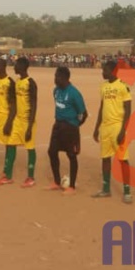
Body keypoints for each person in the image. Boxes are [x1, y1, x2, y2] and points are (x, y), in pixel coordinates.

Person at [92, 61, 133, 203]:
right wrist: (97, 127)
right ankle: (106, 188)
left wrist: (123, 130)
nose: (102, 72)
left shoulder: (122, 86)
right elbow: (101, 107)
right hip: (105, 127)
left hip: (117, 127)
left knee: (123, 159)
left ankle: (127, 191)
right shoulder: (103, 86)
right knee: (105, 158)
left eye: (105, 70)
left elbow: (128, 110)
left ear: (114, 71)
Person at [47, 66, 87, 194]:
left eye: (57, 76)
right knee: (52, 152)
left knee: (71, 155)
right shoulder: (56, 91)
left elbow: (83, 113)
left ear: (64, 78)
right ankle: (56, 181)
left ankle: (72, 186)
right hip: (58, 126)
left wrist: (75, 125)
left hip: (70, 128)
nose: (55, 79)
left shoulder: (74, 93)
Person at [0, 57, 38, 187]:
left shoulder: (31, 83)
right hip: (17, 120)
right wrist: (9, 122)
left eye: (16, 65)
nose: (14, 67)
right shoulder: (17, 82)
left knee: (30, 148)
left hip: (28, 121)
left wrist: (29, 126)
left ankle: (31, 177)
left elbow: (34, 105)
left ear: (22, 67)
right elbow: (15, 104)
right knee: (10, 144)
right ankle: (8, 176)